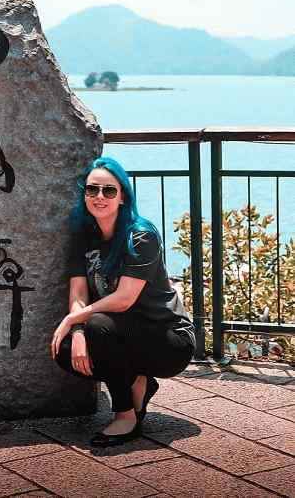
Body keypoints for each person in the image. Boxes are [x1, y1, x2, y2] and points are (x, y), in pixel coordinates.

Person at [50, 156, 195, 447]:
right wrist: (76, 331)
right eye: (92, 189)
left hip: (168, 339)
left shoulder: (140, 236)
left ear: (123, 197)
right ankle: (137, 381)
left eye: (109, 190)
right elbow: (78, 293)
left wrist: (75, 320)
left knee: (98, 326)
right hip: (120, 331)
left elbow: (124, 299)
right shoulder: (83, 236)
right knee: (64, 350)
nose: (99, 197)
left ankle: (126, 415)